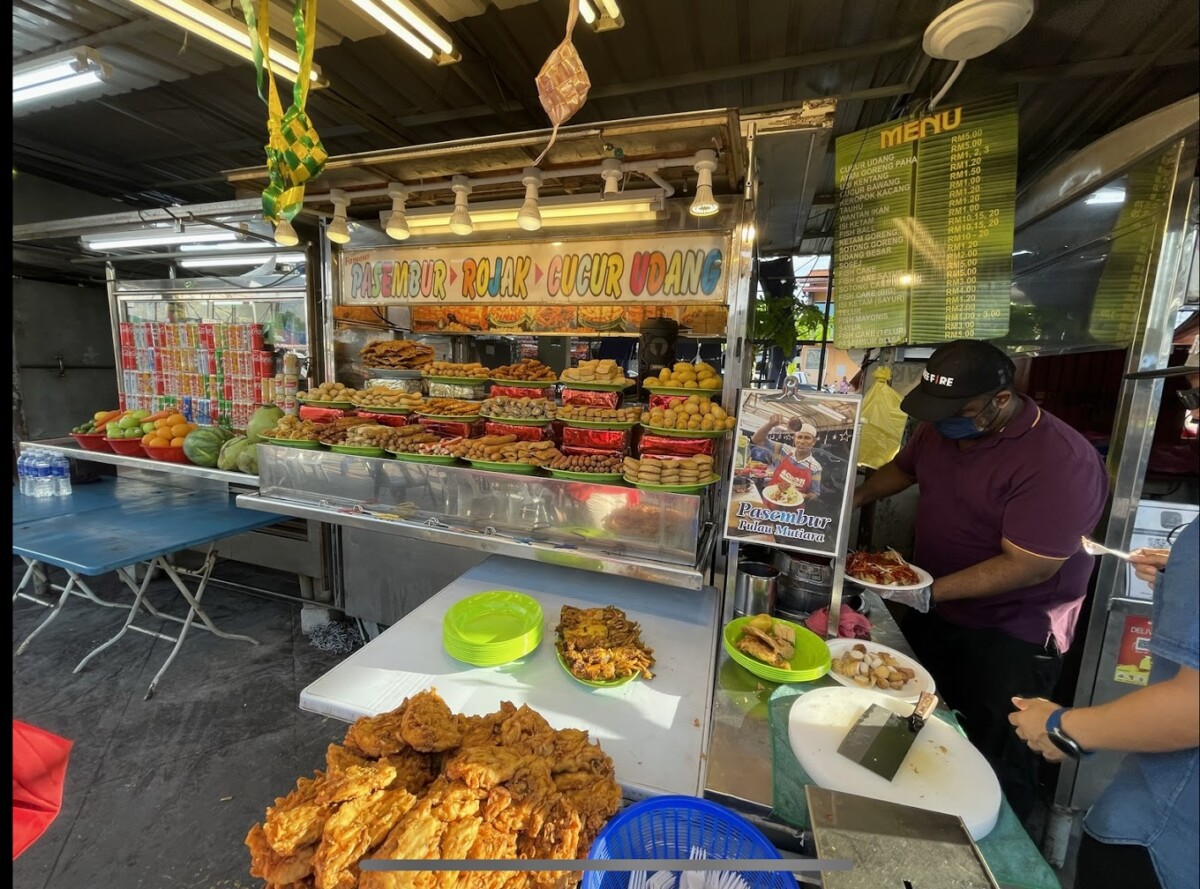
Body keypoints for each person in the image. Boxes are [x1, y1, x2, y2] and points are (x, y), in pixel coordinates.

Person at [851, 339, 1109, 822]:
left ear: (1001, 400)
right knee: (910, 720)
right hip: (938, 610)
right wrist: (853, 498)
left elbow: (1031, 564)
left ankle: (993, 847)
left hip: (1012, 634)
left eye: (958, 411)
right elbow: (902, 470)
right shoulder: (939, 430)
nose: (944, 422)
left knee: (994, 759)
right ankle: (900, 822)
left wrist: (923, 592)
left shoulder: (1060, 459)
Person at [1009, 342, 1199, 889]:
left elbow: (1193, 707)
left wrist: (1063, 726)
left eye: (1196, 394)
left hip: (1165, 844)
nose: (1192, 415)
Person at [750, 415, 822, 502]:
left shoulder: (816, 467)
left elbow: (814, 493)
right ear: (794, 439)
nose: (802, 441)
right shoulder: (783, 450)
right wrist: (770, 425)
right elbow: (757, 440)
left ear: (814, 442)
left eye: (807, 438)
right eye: (799, 437)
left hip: (793, 507)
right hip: (771, 500)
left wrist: (803, 496)